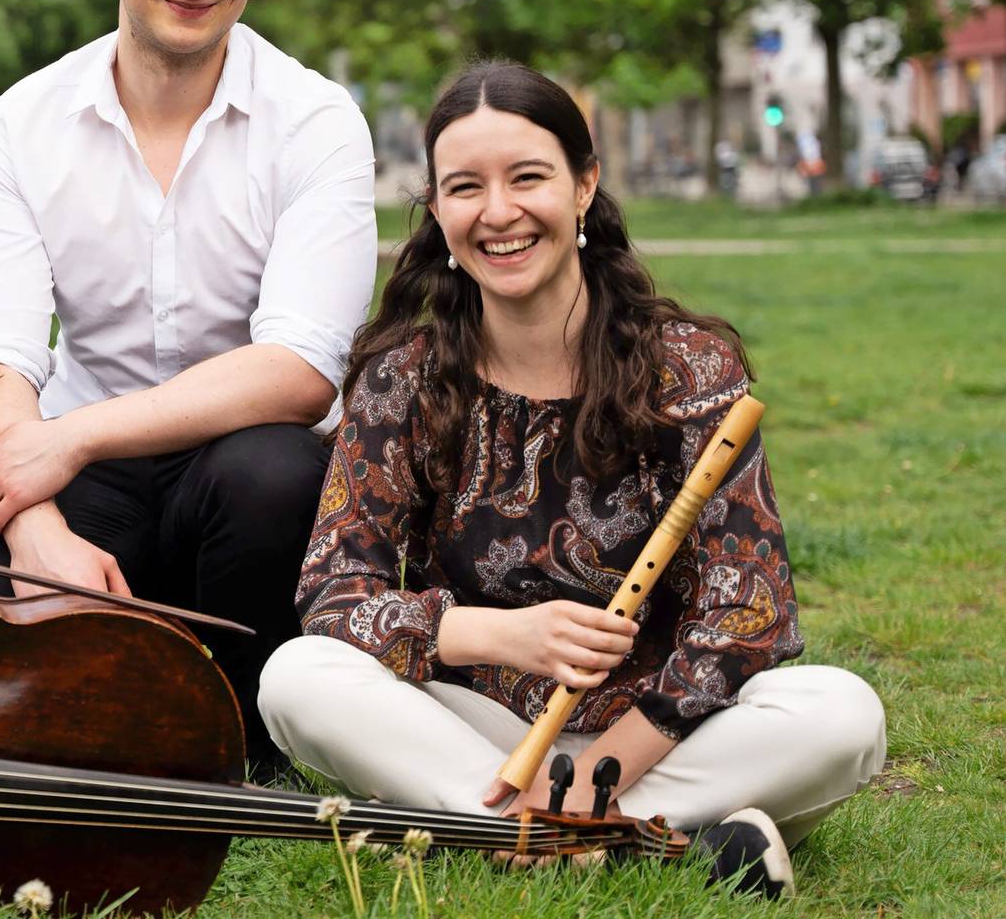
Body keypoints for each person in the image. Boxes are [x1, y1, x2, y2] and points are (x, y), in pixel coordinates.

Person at [259, 61, 884, 895]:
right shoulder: (401, 375)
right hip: (475, 724)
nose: (499, 211)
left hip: (658, 728)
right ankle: (673, 835)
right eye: (465, 187)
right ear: (438, 211)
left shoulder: (689, 365)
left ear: (584, 185)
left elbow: (750, 610)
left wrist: (606, 769)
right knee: (297, 678)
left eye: (528, 177)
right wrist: (494, 635)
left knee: (843, 713)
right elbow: (334, 593)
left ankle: (490, 826)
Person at [0, 0, 378, 771]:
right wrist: (35, 522)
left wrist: (71, 436)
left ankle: (232, 733)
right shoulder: (22, 124)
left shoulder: (314, 121)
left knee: (276, 471)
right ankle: (94, 711)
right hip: (85, 483)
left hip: (239, 486)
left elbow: (302, 368)